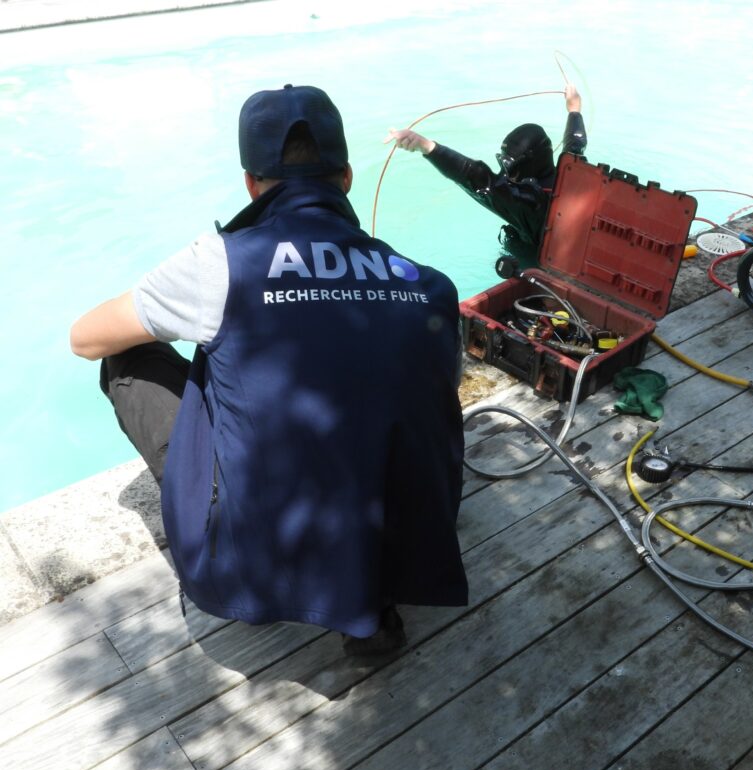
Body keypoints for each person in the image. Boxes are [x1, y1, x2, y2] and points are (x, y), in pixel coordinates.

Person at [70, 84, 468, 656]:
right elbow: (432, 400)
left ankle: (257, 560)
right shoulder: (426, 283)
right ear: (348, 178)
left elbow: (84, 338)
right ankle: (373, 607)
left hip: (255, 565)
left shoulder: (220, 263)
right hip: (404, 543)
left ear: (251, 184)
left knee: (126, 357)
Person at [387, 84, 587, 272]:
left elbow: (476, 178)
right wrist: (574, 110)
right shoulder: (573, 174)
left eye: (510, 168)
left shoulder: (528, 204)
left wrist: (426, 146)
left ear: (527, 167)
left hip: (539, 265)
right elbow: (575, 143)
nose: (505, 174)